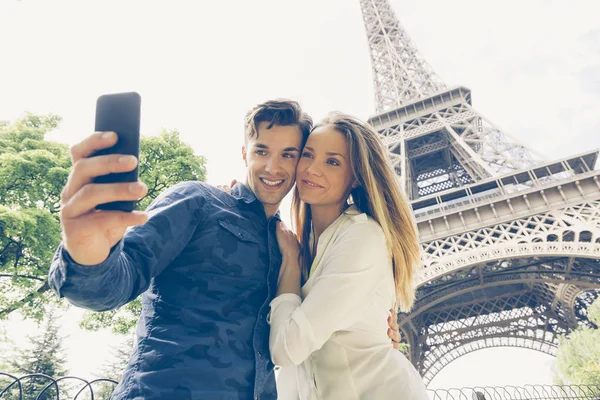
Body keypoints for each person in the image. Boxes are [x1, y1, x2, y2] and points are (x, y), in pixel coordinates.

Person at [48, 100, 402, 400]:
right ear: (244, 153)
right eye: (262, 151)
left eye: (289, 155)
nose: (273, 167)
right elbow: (113, 284)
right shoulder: (198, 202)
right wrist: (87, 252)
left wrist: (373, 325)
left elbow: (312, 323)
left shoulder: (289, 249)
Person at [269, 112, 429, 399]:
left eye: (332, 161)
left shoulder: (362, 236)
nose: (312, 169)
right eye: (308, 155)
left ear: (356, 177)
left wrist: (290, 265)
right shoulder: (303, 243)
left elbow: (287, 348)